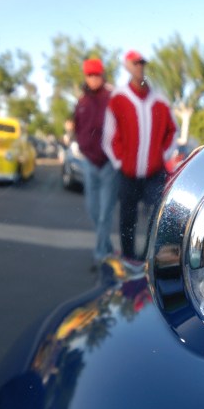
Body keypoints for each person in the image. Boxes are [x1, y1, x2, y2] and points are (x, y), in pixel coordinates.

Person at [103, 50, 178, 262]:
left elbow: (173, 130)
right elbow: (109, 136)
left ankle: (147, 258)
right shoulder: (119, 98)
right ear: (127, 66)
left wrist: (162, 154)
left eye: (141, 64)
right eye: (135, 64)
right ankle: (128, 259)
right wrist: (119, 160)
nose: (139, 67)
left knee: (155, 217)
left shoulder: (159, 101)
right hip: (128, 173)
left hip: (154, 172)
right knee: (128, 218)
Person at [73, 57, 117, 267]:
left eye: (96, 74)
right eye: (89, 75)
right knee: (93, 210)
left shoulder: (112, 97)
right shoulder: (81, 101)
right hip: (89, 163)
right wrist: (82, 147)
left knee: (105, 213)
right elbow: (77, 127)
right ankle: (106, 246)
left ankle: (100, 255)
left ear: (102, 75)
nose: (93, 78)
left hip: (109, 163)